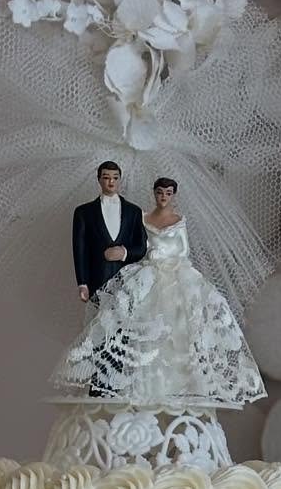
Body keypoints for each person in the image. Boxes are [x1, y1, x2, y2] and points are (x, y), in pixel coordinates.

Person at [52, 177, 267, 410]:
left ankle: (181, 384)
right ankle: (137, 383)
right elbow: (139, 246)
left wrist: (170, 262)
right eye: (160, 193)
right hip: (148, 273)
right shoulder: (143, 218)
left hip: (177, 274)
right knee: (138, 322)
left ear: (174, 195)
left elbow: (184, 250)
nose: (163, 197)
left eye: (168, 193)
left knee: (180, 323)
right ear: (154, 194)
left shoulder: (180, 220)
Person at [71, 161, 147, 306]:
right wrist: (82, 283)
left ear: (120, 179)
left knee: (125, 325)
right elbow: (80, 250)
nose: (111, 181)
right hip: (97, 281)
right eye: (106, 177)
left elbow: (142, 247)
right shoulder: (83, 212)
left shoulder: (134, 211)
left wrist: (124, 252)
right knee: (98, 324)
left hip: (127, 282)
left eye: (115, 177)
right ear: (99, 179)